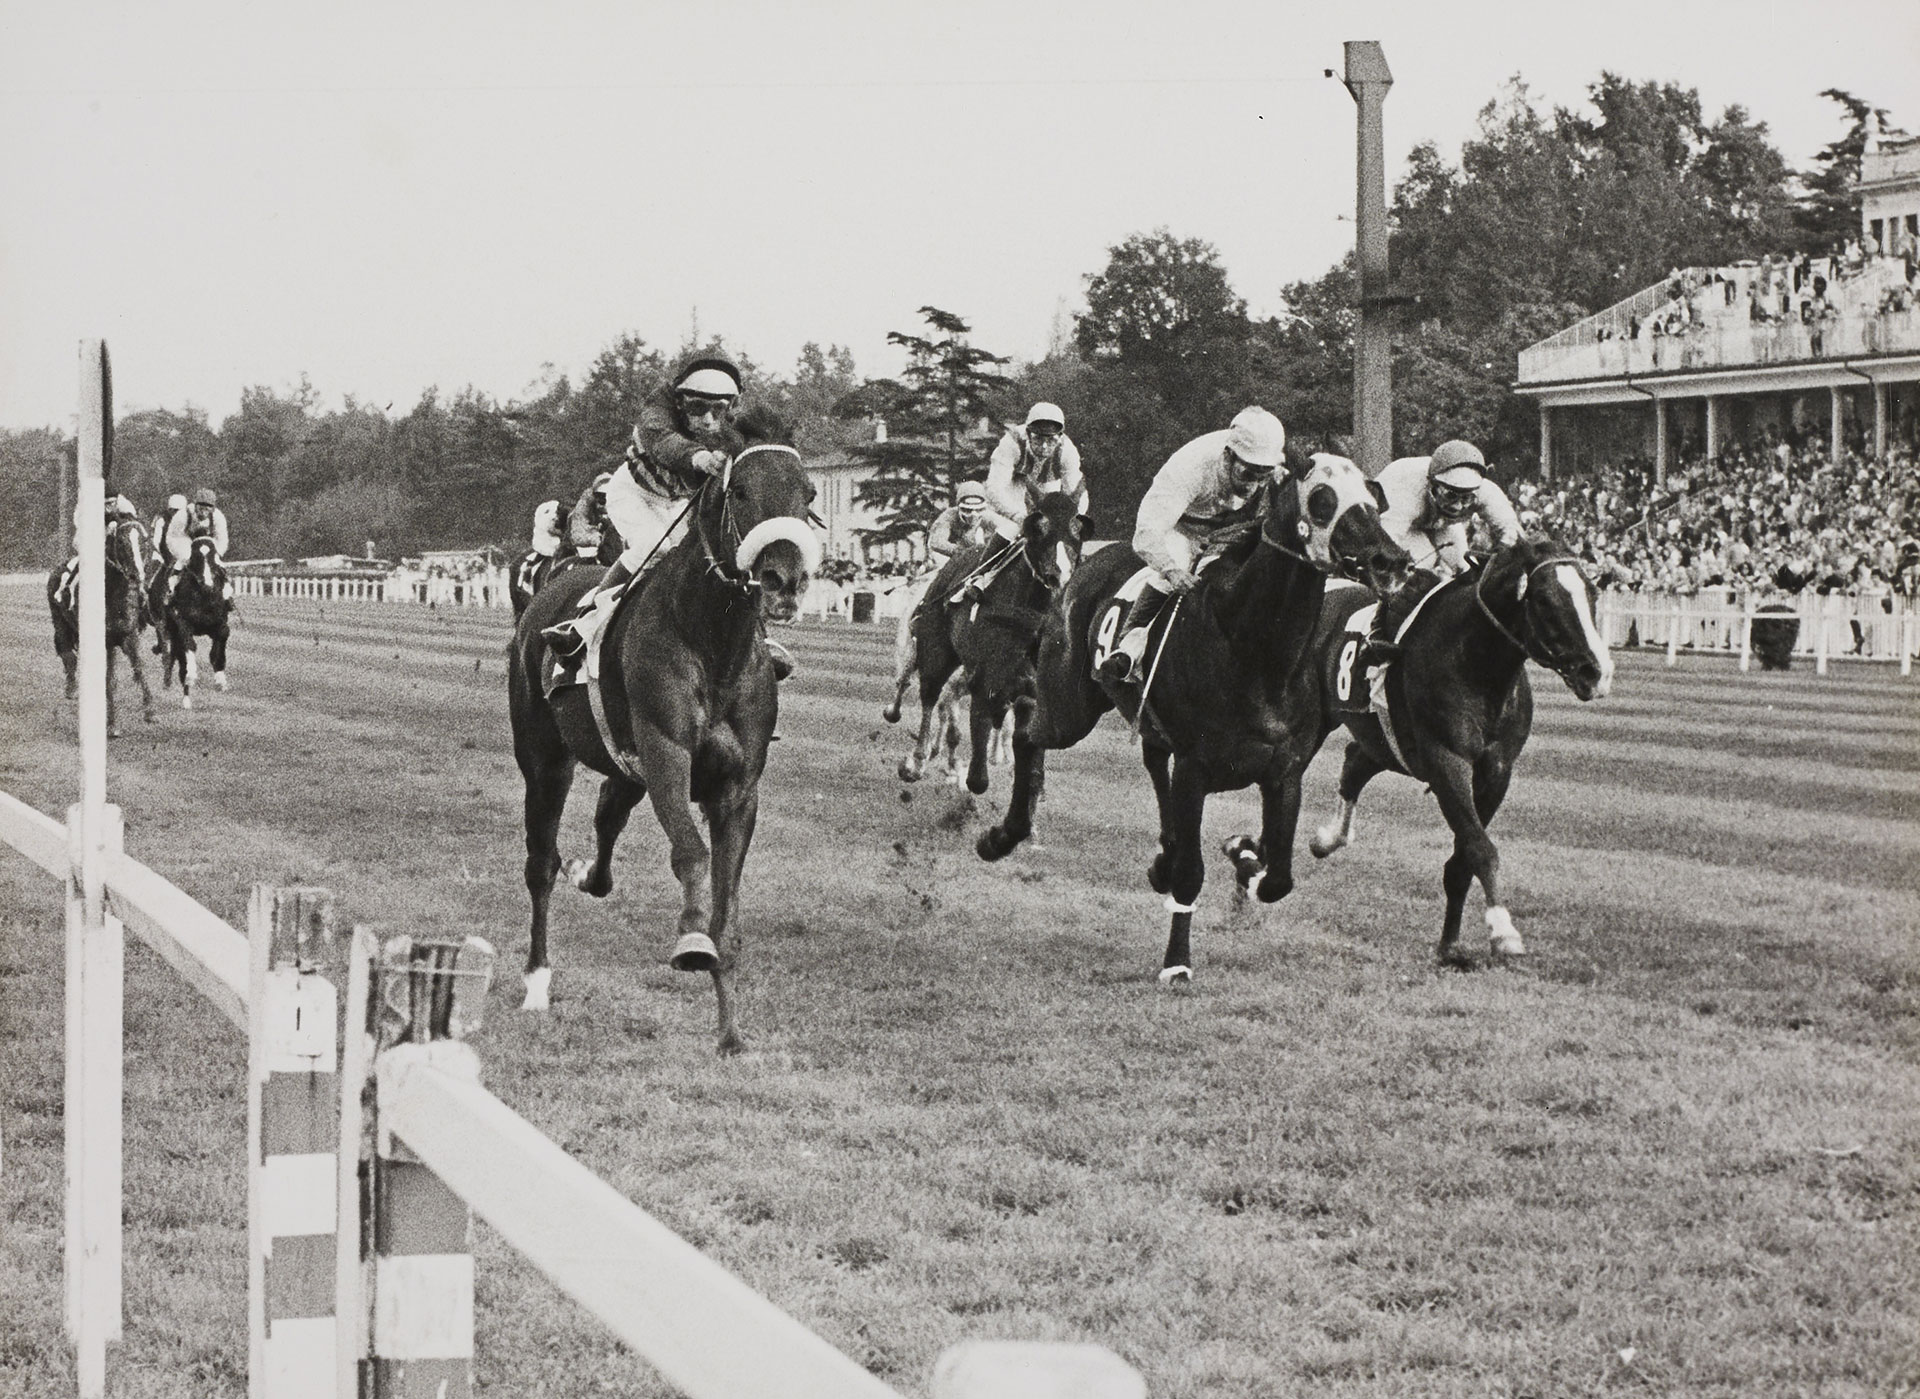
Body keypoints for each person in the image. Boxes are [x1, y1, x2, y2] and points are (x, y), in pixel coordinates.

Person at [542, 353, 791, 677]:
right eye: (698, 408)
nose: (709, 421)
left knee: (720, 558)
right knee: (652, 547)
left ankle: (757, 639)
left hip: (682, 500)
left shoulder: (735, 419)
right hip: (634, 492)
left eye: (719, 410)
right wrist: (699, 457)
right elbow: (664, 442)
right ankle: (582, 626)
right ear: (681, 400)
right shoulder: (658, 408)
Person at [1097, 406, 1289, 683]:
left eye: (1264, 475)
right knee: (1171, 567)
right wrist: (1172, 571)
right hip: (1184, 532)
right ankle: (1128, 647)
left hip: (1233, 534)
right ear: (1227, 457)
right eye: (1248, 474)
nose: (1255, 485)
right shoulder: (1190, 467)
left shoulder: (1267, 466)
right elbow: (1147, 533)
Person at [1358, 440, 1523, 674]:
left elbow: (1511, 532)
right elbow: (1385, 550)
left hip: (1438, 522)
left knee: (1466, 571)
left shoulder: (1486, 491)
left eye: (1466, 498)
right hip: (1396, 524)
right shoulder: (1406, 490)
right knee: (1420, 570)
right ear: (1431, 484)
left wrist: (1500, 556)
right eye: (1450, 495)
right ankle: (1378, 630)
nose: (1457, 506)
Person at [985, 402, 1088, 526]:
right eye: (1038, 438)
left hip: (1047, 483)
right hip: (1013, 485)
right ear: (1028, 434)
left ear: (1060, 436)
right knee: (1012, 527)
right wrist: (1016, 515)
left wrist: (1074, 517)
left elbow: (1075, 492)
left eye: (1051, 440)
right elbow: (995, 487)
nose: (1044, 446)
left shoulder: (1067, 450)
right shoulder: (1012, 443)